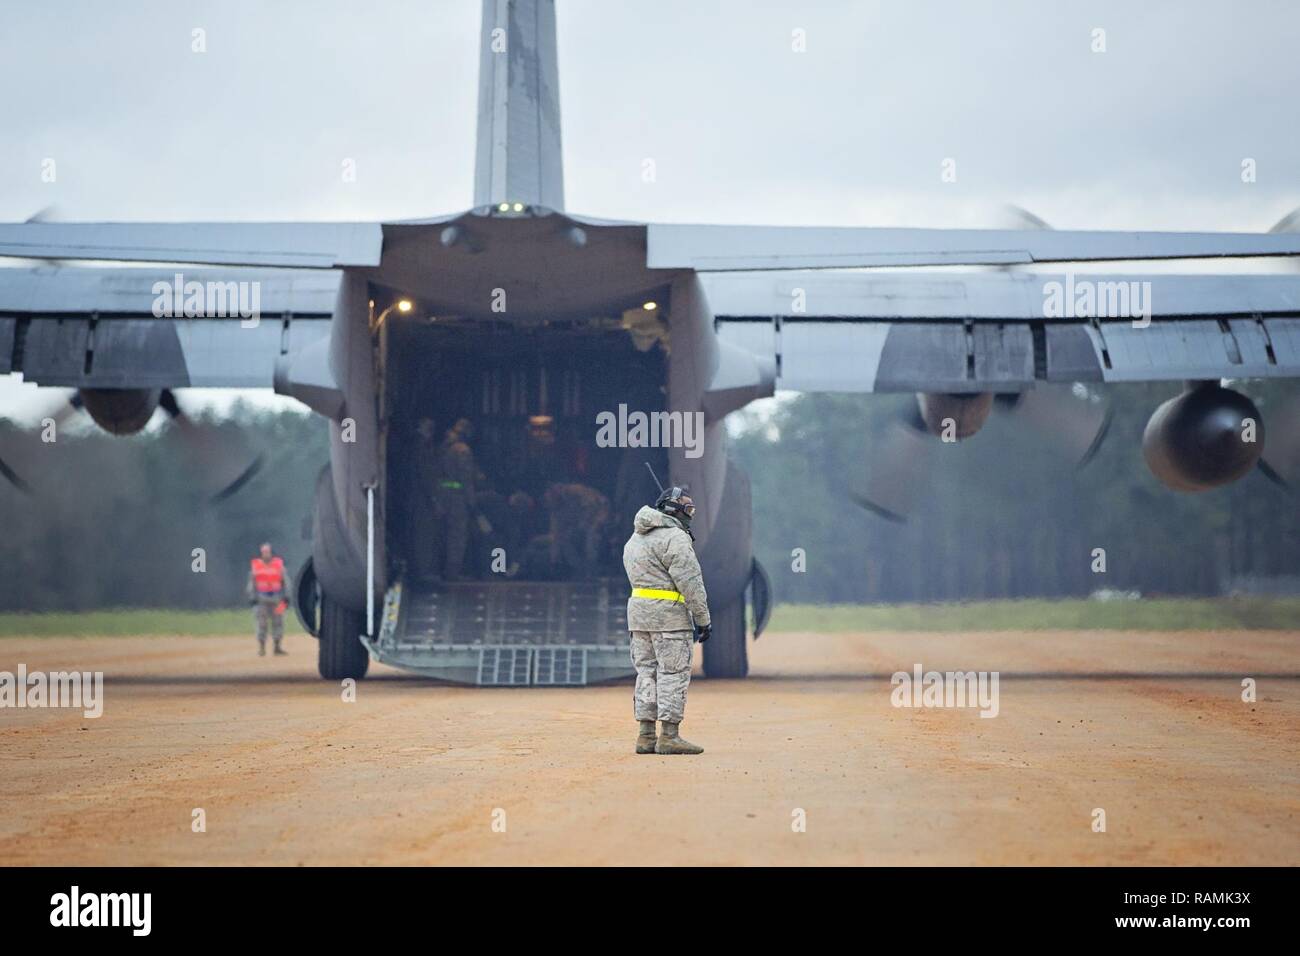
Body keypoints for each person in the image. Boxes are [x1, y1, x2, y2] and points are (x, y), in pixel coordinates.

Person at [622, 486, 711, 755]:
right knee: (672, 674)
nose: (691, 514)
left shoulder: (635, 538)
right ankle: (669, 736)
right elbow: (691, 583)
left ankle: (646, 735)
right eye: (688, 509)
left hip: (639, 619)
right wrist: (703, 619)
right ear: (674, 510)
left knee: (646, 674)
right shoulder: (676, 538)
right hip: (670, 619)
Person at [435, 418, 478, 580]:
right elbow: (466, 478)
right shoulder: (462, 450)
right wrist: (471, 500)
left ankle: (439, 568)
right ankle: (453, 571)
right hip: (457, 497)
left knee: (442, 534)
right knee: (457, 535)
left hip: (441, 495)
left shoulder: (442, 448)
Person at [544, 482, 610, 577]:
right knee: (564, 540)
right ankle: (581, 569)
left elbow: (592, 506)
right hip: (579, 526)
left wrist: (583, 524)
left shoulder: (575, 491)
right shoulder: (555, 509)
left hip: (599, 515)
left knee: (591, 536)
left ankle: (593, 569)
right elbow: (556, 535)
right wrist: (554, 559)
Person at [410, 417, 441, 582]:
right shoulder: (422, 448)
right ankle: (424, 571)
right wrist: (434, 499)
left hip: (421, 497)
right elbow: (426, 475)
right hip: (423, 499)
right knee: (424, 534)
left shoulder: (420, 446)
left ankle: (424, 570)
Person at [246, 542, 289, 657]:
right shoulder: (256, 566)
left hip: (278, 599)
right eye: (264, 552)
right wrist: (252, 597)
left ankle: (277, 647)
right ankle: (261, 648)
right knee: (261, 624)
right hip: (261, 600)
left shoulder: (278, 565)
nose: (266, 554)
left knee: (279, 623)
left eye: (267, 552)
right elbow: (252, 583)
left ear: (271, 553)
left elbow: (285, 582)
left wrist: (286, 597)